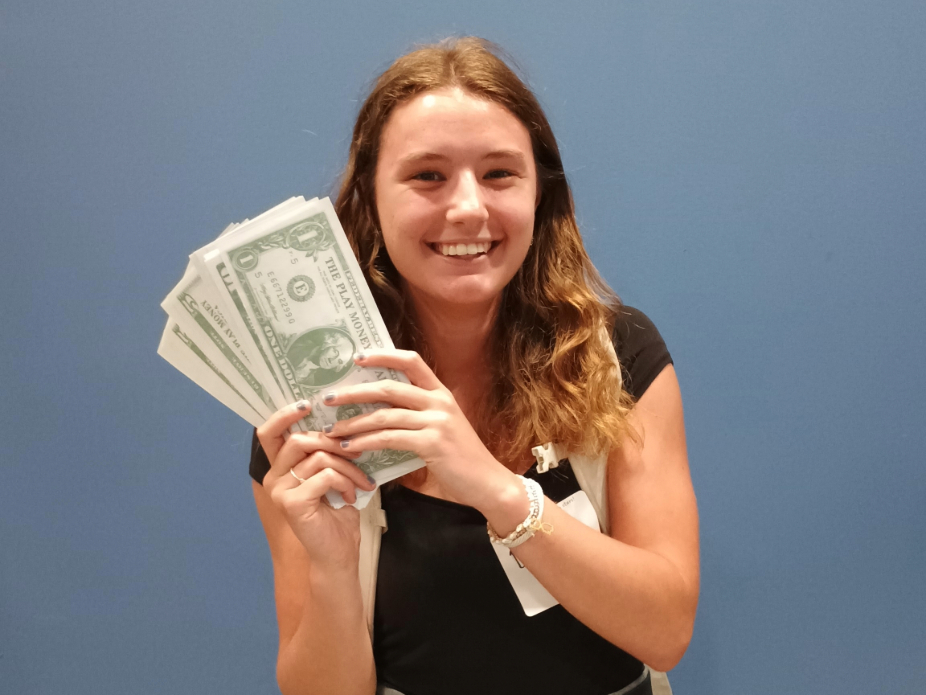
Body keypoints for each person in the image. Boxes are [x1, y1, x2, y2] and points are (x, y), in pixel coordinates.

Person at [249, 37, 699, 695]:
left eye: (499, 173)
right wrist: (330, 565)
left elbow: (665, 631)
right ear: (372, 197)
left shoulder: (619, 356)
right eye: (427, 175)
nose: (467, 208)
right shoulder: (309, 408)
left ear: (540, 194)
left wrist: (493, 486)